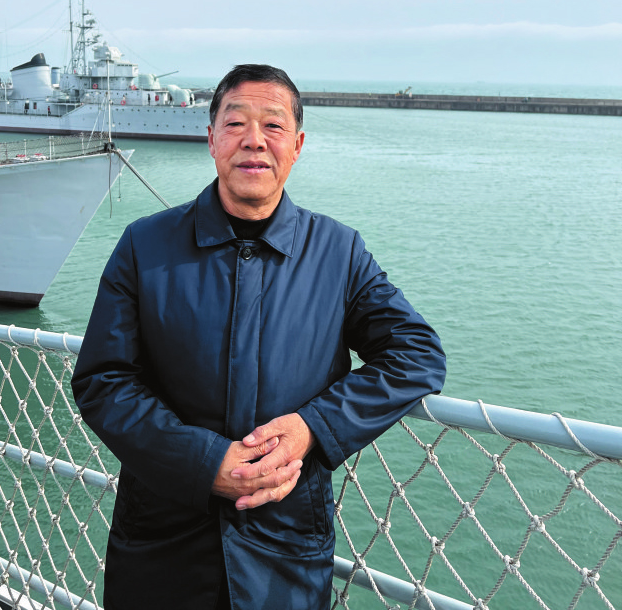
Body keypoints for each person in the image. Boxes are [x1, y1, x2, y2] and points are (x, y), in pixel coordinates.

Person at [71, 64, 446, 610]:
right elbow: (103, 381)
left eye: (272, 125)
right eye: (235, 123)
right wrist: (203, 463)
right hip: (162, 545)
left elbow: (417, 355)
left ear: (297, 145)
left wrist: (312, 427)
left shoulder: (338, 253)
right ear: (211, 139)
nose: (254, 140)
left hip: (284, 551)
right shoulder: (144, 245)